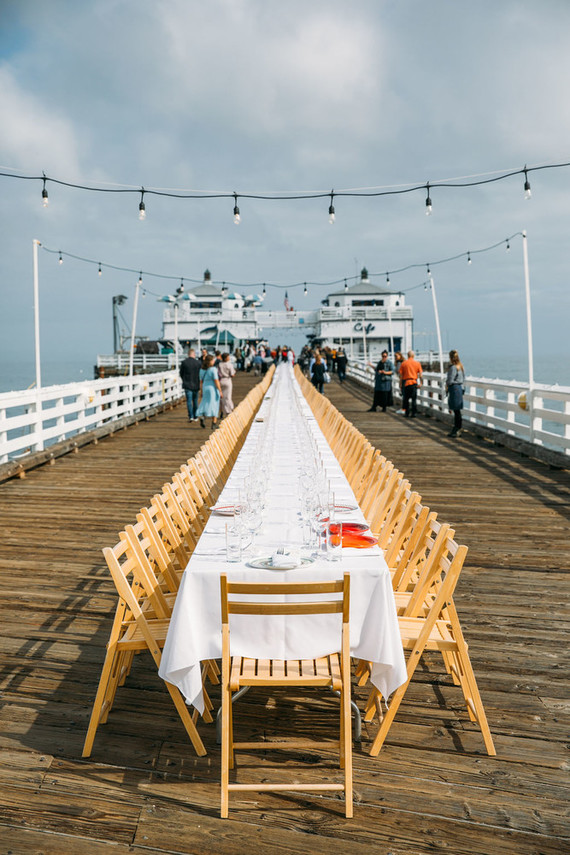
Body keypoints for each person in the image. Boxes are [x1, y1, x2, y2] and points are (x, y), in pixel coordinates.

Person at [197, 354, 222, 429]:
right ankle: (214, 423)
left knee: (205, 403)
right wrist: (220, 390)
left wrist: (201, 391)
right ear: (210, 361)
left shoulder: (201, 370)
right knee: (215, 404)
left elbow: (200, 381)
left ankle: (203, 417)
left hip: (205, 387)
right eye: (213, 360)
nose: (214, 361)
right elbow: (216, 381)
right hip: (212, 388)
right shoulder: (213, 369)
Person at [446, 349, 466, 437]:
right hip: (460, 388)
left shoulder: (453, 367)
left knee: (456, 410)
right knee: (457, 410)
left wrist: (447, 385)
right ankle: (458, 428)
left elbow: (450, 380)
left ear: (450, 357)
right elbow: (464, 379)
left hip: (454, 388)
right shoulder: (460, 366)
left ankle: (457, 428)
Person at [179, 347, 201, 422]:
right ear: (194, 354)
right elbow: (200, 374)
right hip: (196, 384)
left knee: (189, 401)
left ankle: (191, 416)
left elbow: (181, 373)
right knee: (195, 401)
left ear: (188, 354)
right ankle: (196, 416)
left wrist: (184, 379)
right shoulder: (198, 363)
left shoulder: (184, 362)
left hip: (187, 384)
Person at [399, 350, 423, 418]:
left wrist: (400, 384)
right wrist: (421, 382)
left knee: (406, 399)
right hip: (414, 382)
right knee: (414, 399)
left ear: (407, 356)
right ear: (413, 356)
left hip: (406, 383)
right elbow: (420, 375)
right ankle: (413, 413)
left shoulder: (403, 363)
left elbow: (400, 375)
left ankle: (407, 413)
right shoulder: (417, 363)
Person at [218, 352, 236, 417]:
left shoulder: (220, 364)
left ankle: (223, 410)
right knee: (228, 396)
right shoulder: (229, 365)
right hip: (227, 380)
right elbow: (232, 374)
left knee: (222, 397)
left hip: (221, 380)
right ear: (226, 358)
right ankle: (229, 409)